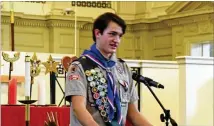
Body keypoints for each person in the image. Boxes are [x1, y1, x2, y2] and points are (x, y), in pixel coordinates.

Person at [65, 12, 152, 126]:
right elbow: (79, 109)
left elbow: (133, 114)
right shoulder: (79, 67)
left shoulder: (123, 68)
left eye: (119, 36)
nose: (116, 40)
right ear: (98, 33)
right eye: (112, 34)